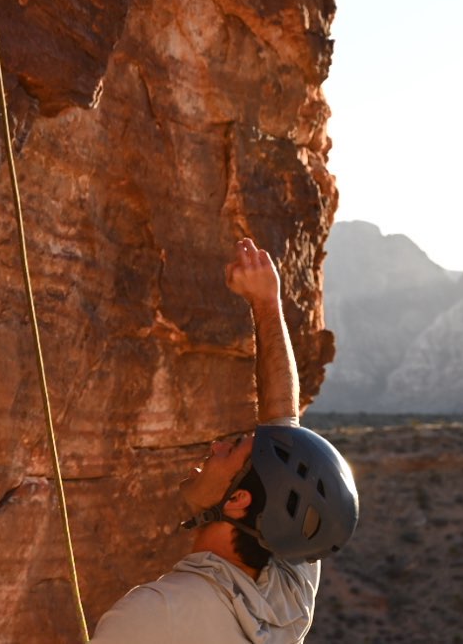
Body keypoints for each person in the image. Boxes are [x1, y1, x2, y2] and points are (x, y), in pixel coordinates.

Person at [90, 238, 360, 644]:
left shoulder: (151, 616)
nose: (215, 447)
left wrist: (266, 301)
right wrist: (266, 304)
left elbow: (281, 428)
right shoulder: (287, 598)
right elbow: (281, 419)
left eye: (230, 450)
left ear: (239, 500)